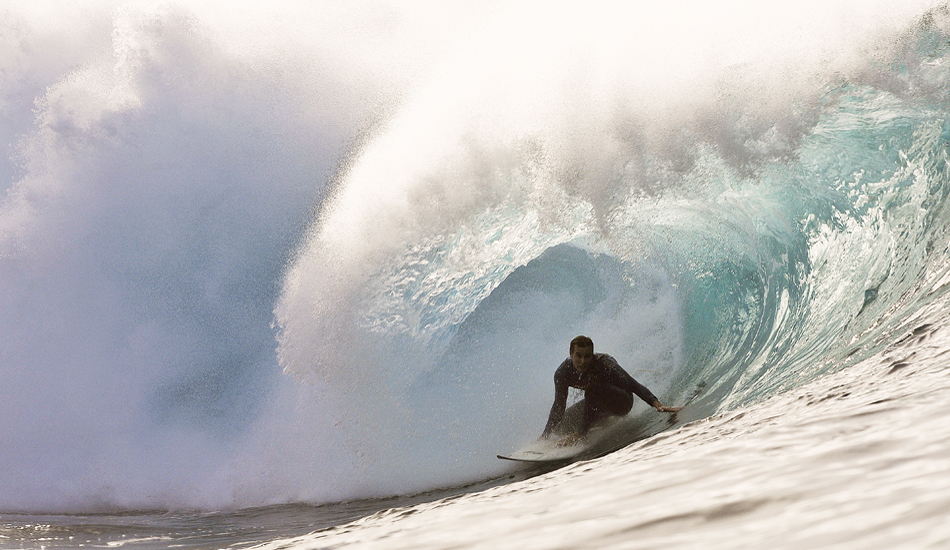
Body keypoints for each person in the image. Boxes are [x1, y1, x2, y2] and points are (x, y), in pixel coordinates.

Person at [541, 335, 680, 446]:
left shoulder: (604, 364)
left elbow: (633, 384)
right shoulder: (562, 373)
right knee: (561, 424)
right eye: (579, 356)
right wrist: (545, 435)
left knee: (593, 387)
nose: (583, 361)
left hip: (621, 402)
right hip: (597, 405)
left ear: (592, 355)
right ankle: (551, 437)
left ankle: (580, 434)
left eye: (587, 356)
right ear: (571, 353)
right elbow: (559, 405)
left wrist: (657, 404)